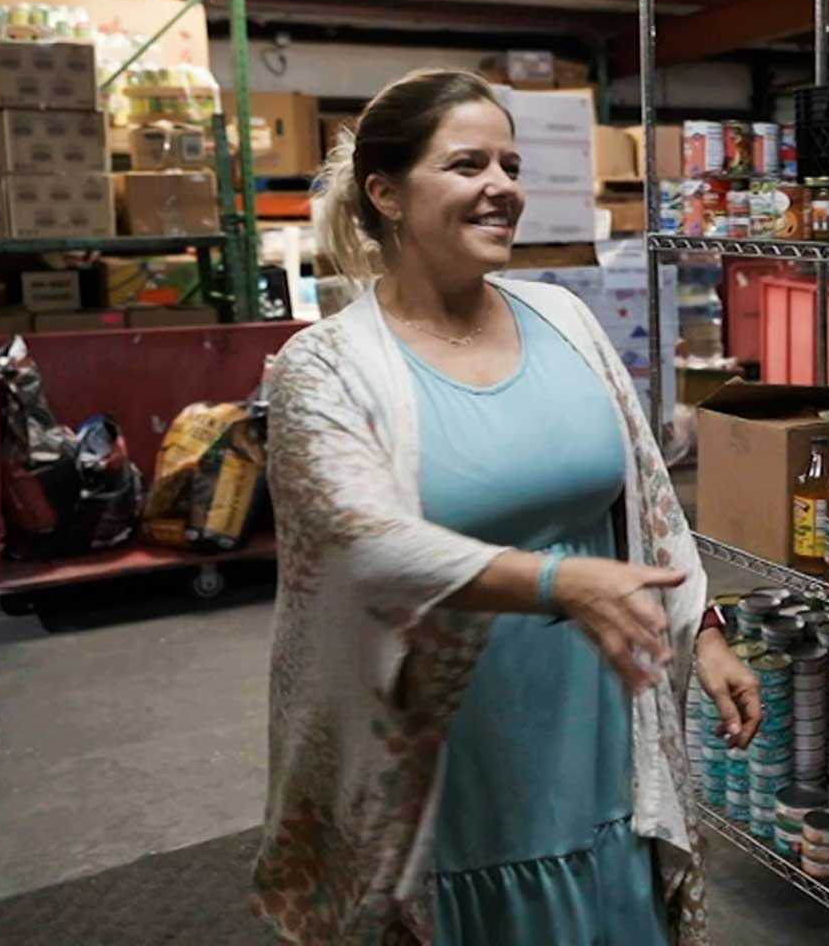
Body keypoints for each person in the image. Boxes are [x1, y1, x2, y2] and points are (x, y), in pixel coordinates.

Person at [251, 69, 758, 945]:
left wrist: (700, 627)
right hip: (445, 754)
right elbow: (357, 548)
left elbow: (645, 497)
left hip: (596, 728)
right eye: (467, 164)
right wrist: (560, 584)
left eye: (511, 163)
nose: (503, 187)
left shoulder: (564, 317)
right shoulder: (323, 367)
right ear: (387, 193)